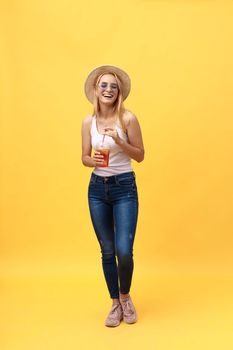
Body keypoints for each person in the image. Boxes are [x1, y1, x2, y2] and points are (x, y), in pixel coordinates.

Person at [81, 65, 144, 327]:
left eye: (113, 86)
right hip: (97, 189)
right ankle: (115, 304)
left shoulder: (128, 119)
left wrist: (119, 141)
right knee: (107, 250)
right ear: (96, 90)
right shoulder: (88, 122)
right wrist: (90, 159)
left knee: (123, 250)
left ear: (119, 93)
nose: (108, 90)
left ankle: (126, 296)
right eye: (104, 85)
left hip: (124, 187)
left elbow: (140, 155)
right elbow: (84, 157)